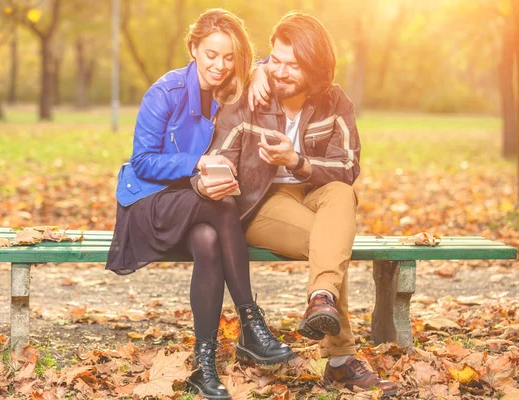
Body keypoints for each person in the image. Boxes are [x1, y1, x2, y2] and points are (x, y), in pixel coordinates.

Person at [192, 12, 399, 397]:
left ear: (316, 70)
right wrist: (213, 179)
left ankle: (321, 300)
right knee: (331, 244)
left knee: (341, 194)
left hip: (314, 192)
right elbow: (214, 156)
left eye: (293, 65)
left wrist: (296, 161)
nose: (280, 72)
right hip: (261, 203)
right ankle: (340, 360)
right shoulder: (249, 97)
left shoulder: (335, 101)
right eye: (275, 60)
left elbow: (348, 166)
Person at [106, 9, 294, 400]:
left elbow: (269, 65)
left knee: (209, 239)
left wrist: (259, 70)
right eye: (211, 55)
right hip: (149, 205)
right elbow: (142, 160)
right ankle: (250, 321)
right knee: (223, 206)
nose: (220, 66)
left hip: (196, 207)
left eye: (229, 58)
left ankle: (203, 367)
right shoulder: (165, 92)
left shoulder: (233, 87)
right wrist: (197, 161)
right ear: (193, 48)